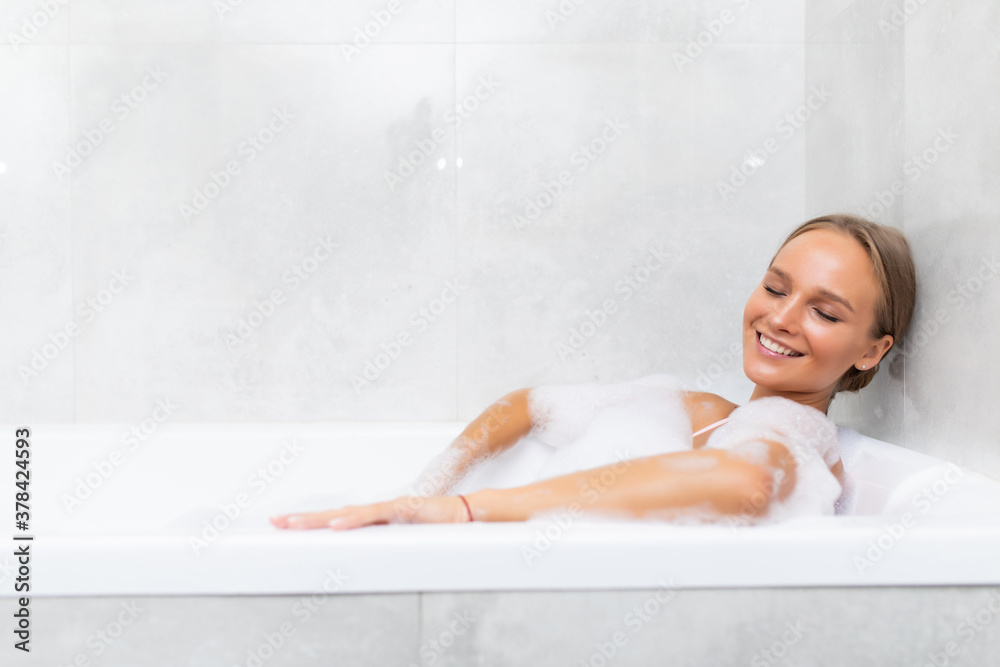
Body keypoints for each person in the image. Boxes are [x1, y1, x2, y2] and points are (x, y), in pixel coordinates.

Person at [269, 214, 916, 531]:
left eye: (825, 312)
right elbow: (527, 405)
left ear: (871, 351)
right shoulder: (701, 411)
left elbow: (746, 482)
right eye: (775, 288)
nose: (781, 317)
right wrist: (426, 488)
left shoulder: (798, 435)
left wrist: (466, 511)